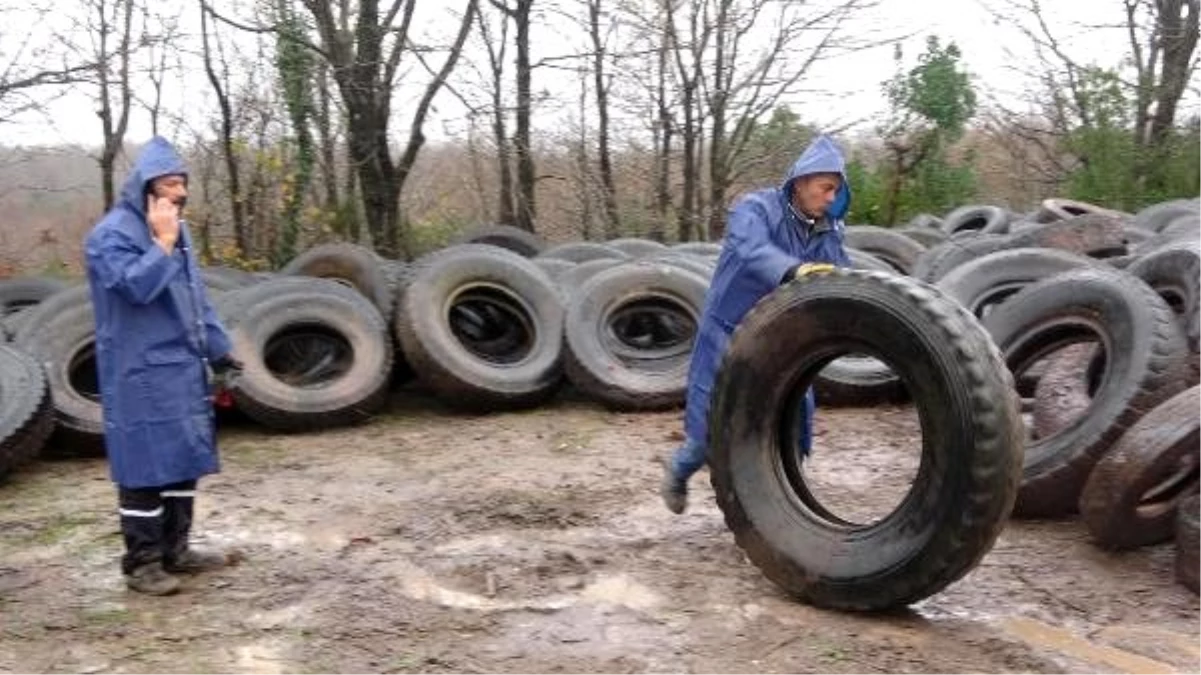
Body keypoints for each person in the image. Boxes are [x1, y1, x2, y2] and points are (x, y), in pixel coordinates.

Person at [661, 133, 852, 514]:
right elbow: (752, 251)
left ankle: (785, 505)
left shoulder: (827, 230)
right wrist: (794, 270)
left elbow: (841, 278)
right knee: (707, 428)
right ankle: (679, 472)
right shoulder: (754, 209)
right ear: (802, 182)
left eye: (836, 191)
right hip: (726, 332)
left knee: (797, 418)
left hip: (782, 338)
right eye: (825, 188)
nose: (831, 198)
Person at [85, 136, 243, 595]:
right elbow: (136, 288)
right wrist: (163, 244)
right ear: (145, 188)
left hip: (181, 366)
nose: (177, 193)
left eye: (181, 184)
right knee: (143, 467)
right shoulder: (110, 236)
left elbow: (195, 299)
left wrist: (219, 348)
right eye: (168, 184)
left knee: (181, 462)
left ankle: (177, 550)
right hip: (137, 371)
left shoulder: (180, 232)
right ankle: (142, 563)